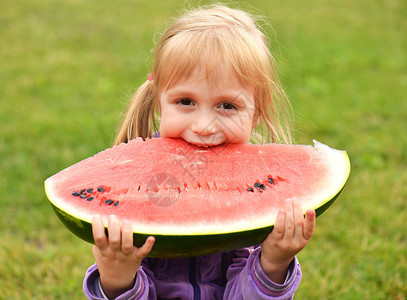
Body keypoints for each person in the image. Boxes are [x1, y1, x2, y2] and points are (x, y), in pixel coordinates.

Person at [83, 4, 316, 299]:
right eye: (185, 102)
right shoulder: (136, 184)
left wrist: (272, 264)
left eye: (227, 106)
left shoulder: (260, 191)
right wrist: (117, 279)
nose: (204, 126)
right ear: (158, 100)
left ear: (258, 112)